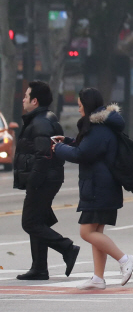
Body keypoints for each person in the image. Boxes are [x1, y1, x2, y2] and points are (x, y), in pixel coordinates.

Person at [53, 88, 133, 290]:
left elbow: (83, 154)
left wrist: (57, 149)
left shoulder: (99, 129)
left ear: (87, 105)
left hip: (99, 187)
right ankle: (98, 278)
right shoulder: (102, 126)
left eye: (80, 104)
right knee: (96, 231)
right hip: (101, 186)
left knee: (86, 231)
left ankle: (125, 259)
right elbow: (89, 148)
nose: (78, 107)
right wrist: (69, 142)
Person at [13, 81, 80, 280]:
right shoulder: (40, 118)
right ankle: (39, 268)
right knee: (38, 220)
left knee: (30, 223)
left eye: (26, 96)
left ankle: (67, 247)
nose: (23, 99)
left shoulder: (41, 122)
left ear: (35, 100)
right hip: (47, 178)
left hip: (43, 179)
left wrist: (33, 180)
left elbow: (43, 155)